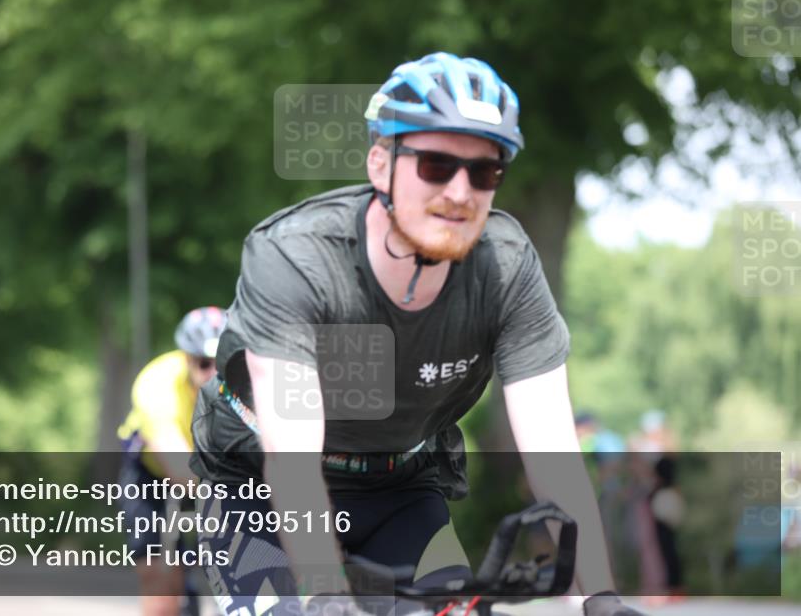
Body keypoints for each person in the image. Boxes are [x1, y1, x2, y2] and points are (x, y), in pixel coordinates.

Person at [190, 53, 648, 616]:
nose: (461, 192)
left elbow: (552, 448)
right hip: (257, 484)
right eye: (435, 164)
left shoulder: (506, 268)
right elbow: (292, 455)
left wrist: (599, 597)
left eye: (485, 172)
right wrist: (327, 594)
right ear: (380, 165)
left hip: (399, 487)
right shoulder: (295, 257)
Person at [117, 306, 227, 616]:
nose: (214, 374)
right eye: (204, 364)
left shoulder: (252, 381)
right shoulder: (158, 382)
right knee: (158, 575)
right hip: (151, 473)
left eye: (223, 362)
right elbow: (179, 468)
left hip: (225, 474)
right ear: (186, 359)